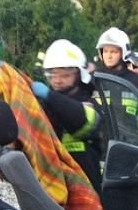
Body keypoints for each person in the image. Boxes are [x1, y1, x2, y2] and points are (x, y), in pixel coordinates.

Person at [32, 39, 104, 195]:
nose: (57, 80)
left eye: (65, 75)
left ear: (79, 74)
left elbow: (82, 121)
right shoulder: (47, 102)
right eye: (52, 74)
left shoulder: (87, 101)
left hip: (84, 182)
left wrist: (48, 95)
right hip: (55, 180)